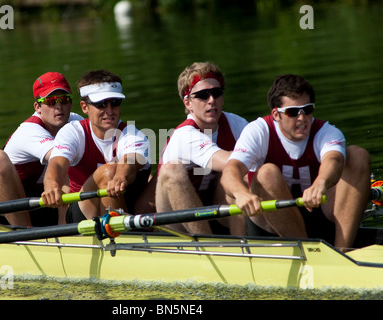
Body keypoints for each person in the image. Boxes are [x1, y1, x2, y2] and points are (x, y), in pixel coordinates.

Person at [220, 73, 370, 251]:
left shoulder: (327, 132)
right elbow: (230, 172)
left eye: (307, 110)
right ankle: (308, 254)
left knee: (358, 155)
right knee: (266, 173)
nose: (302, 118)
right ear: (276, 114)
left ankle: (343, 251)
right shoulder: (258, 131)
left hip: (318, 215)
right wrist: (240, 193)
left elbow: (334, 160)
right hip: (271, 224)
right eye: (292, 112)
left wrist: (321, 182)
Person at [41, 69, 151, 222]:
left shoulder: (134, 135)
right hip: (82, 214)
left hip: (126, 208)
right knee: (108, 172)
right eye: (101, 104)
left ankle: (119, 233)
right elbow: (57, 166)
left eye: (115, 102)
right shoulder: (72, 133)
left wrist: (120, 177)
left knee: (113, 172)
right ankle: (120, 237)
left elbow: (131, 160)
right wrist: (51, 186)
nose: (109, 111)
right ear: (84, 107)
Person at [155, 62, 249, 235]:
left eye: (216, 93)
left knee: (238, 172)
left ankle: (242, 244)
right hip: (175, 221)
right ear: (188, 103)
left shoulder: (236, 123)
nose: (211, 100)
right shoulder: (184, 135)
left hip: (214, 210)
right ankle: (208, 246)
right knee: (173, 170)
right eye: (203, 95)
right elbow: (232, 160)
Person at [0, 72, 83, 226]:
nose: (59, 106)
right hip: (4, 213)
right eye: (51, 101)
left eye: (65, 99)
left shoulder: (76, 121)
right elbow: (61, 157)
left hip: (44, 206)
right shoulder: (29, 131)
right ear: (38, 107)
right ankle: (29, 234)